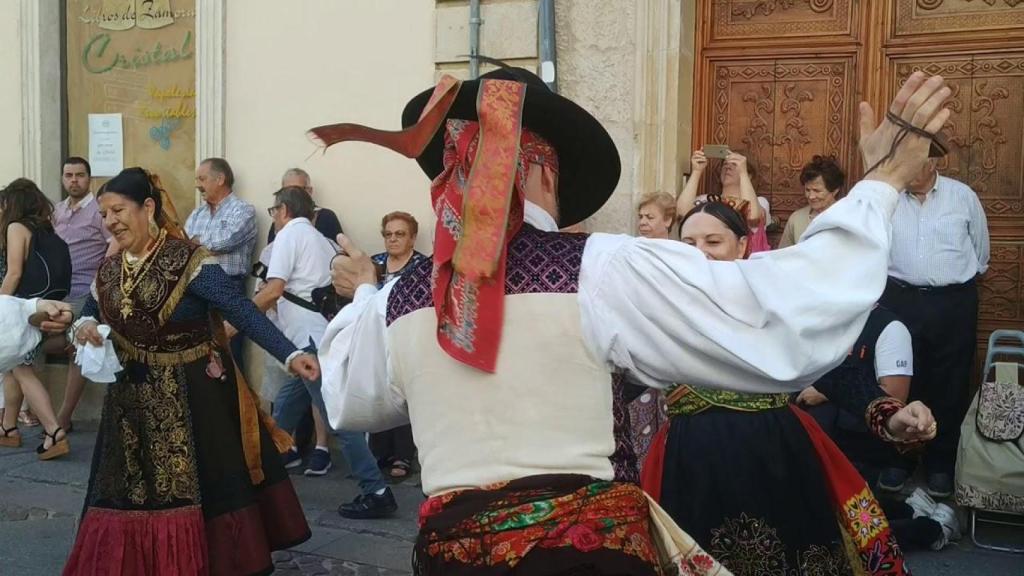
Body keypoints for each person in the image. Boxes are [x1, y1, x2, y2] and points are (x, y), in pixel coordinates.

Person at [317, 69, 951, 574]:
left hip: (451, 558)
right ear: (542, 170)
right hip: (581, 560)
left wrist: (366, 297)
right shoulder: (598, 267)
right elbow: (781, 317)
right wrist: (884, 179)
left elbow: (351, 402)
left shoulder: (400, 298)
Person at [641, 201, 936, 574]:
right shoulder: (661, 314)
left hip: (775, 458)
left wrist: (892, 416)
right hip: (690, 465)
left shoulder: (775, 312)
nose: (699, 254)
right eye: (688, 244)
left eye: (713, 242)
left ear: (743, 246)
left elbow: (838, 374)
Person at [63, 168, 316, 576]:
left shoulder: (188, 261)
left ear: (147, 208)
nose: (111, 221)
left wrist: (289, 355)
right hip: (127, 408)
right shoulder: (108, 271)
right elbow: (88, 316)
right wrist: (83, 328)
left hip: (192, 402)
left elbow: (239, 310)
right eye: (104, 214)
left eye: (118, 210)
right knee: (127, 490)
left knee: (197, 490)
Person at [238, 187, 397, 518]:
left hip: (304, 339)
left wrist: (231, 325)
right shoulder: (321, 240)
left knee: (337, 417)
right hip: (319, 336)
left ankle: (376, 489)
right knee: (286, 404)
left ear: (282, 211)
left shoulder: (287, 237)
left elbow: (274, 289)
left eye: (273, 211)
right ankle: (258, 476)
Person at [797, 306, 961, 552]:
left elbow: (854, 385)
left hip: (851, 444)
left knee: (828, 537)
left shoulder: (886, 327)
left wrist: (893, 418)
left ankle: (931, 530)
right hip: (780, 442)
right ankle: (908, 509)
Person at [878, 143, 990, 498]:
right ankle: (901, 459)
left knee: (950, 382)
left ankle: (941, 464)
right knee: (903, 379)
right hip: (900, 298)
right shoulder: (890, 198)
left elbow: (981, 251)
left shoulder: (962, 197)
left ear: (932, 161)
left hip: (952, 302)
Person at [0, 179, 72, 460]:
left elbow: (14, 273)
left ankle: (54, 431)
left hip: (23, 307)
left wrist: (1, 305)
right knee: (13, 365)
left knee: (22, 368)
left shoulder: (17, 227)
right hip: (46, 306)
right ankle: (8, 428)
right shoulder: (49, 233)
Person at [53, 157, 118, 432]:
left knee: (76, 348)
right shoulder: (56, 210)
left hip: (85, 292)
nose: (74, 180)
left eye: (79, 175)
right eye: (69, 175)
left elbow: (115, 241)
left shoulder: (98, 211)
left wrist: (101, 280)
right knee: (27, 343)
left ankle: (62, 418)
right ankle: (27, 411)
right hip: (55, 292)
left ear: (89, 179)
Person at [367, 211, 427, 481]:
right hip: (376, 340)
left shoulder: (423, 266)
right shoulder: (374, 264)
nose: (393, 239)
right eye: (388, 234)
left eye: (400, 234)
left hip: (406, 339)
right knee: (378, 393)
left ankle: (403, 455)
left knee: (403, 396)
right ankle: (379, 452)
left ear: (412, 238)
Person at [185, 157, 257, 363]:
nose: (197, 185)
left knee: (229, 352)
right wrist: (196, 245)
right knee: (199, 353)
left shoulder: (243, 210)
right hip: (197, 288)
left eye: (202, 178)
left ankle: (237, 395)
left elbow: (226, 241)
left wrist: (197, 243)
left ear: (220, 179)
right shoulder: (197, 214)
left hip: (229, 287)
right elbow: (184, 246)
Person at [677, 148, 771, 253]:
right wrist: (696, 171)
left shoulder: (760, 201)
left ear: (749, 174)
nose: (727, 167)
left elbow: (752, 216)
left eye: (734, 164)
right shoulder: (705, 199)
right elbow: (682, 213)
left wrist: (743, 173)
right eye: (725, 164)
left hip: (746, 265)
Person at [779, 155, 845, 248]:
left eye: (817, 191)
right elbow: (783, 256)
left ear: (835, 190)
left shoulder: (846, 219)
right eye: (807, 190)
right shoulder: (796, 219)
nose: (811, 196)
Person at [268, 168, 343, 243]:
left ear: (309, 191)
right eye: (287, 191)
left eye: (297, 190)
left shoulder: (326, 217)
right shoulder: (279, 220)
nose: (292, 195)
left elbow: (339, 252)